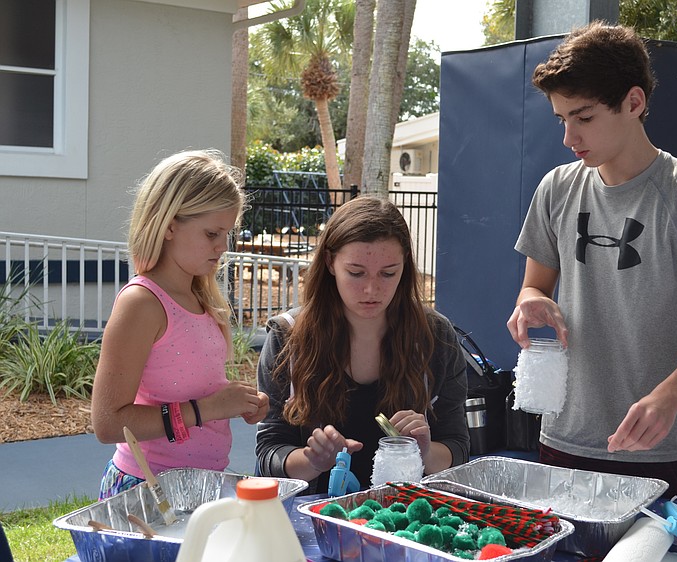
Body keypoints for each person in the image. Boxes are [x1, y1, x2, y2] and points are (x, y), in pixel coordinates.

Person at [506, 22, 677, 501]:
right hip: (564, 438)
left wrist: (669, 397)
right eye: (561, 119)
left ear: (634, 103)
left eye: (583, 117)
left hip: (657, 450)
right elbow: (534, 287)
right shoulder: (556, 188)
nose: (569, 137)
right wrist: (530, 301)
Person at [255, 196, 469, 493]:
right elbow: (269, 453)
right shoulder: (287, 336)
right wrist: (313, 460)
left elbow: (458, 449)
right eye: (355, 273)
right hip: (313, 513)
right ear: (330, 262)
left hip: (405, 512)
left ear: (405, 264)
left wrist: (425, 451)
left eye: (388, 273)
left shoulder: (436, 335)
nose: (371, 289)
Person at [91, 149, 269, 499]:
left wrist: (238, 401)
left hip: (199, 487)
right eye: (212, 233)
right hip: (149, 490)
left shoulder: (199, 297)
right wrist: (209, 409)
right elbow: (108, 423)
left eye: (227, 234)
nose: (223, 246)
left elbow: (189, 385)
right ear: (170, 225)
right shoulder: (142, 303)